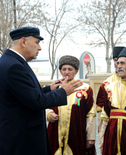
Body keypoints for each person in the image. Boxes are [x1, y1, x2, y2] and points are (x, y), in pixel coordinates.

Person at [0, 27, 82, 155]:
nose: (40, 48)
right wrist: (63, 92)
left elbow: (24, 96)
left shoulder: (11, 61)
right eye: (37, 42)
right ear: (23, 42)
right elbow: (36, 101)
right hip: (22, 141)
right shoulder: (14, 66)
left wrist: (49, 89)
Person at [46, 55, 97, 155]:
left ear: (76, 71)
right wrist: (48, 114)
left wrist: (90, 137)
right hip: (55, 133)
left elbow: (91, 113)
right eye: (64, 69)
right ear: (60, 71)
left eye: (70, 69)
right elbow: (43, 104)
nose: (66, 72)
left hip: (77, 133)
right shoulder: (54, 87)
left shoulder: (85, 89)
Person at [96, 46, 124, 125]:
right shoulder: (105, 85)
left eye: (121, 61)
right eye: (115, 60)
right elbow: (100, 112)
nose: (117, 63)